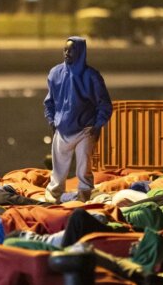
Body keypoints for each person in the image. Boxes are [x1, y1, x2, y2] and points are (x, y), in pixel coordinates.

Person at [44, 36, 112, 203]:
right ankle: (53, 197)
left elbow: (104, 104)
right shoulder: (55, 73)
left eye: (71, 50)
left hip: (85, 130)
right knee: (58, 170)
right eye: (65, 50)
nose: (67, 53)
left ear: (80, 52)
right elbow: (49, 101)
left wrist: (97, 125)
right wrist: (52, 120)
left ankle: (84, 195)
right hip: (62, 129)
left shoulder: (92, 76)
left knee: (84, 168)